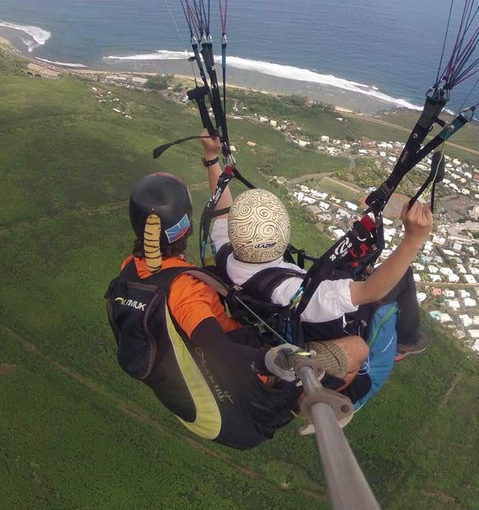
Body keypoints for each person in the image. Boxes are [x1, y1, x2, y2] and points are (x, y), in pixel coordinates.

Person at [105, 170, 367, 450]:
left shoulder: (130, 271)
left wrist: (212, 160)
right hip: (237, 417)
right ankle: (302, 402)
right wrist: (268, 360)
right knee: (357, 349)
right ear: (185, 225)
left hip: (194, 410)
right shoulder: (186, 291)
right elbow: (218, 350)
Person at [200, 132, 433, 396]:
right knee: (401, 276)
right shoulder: (294, 292)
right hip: (317, 327)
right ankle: (406, 343)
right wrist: (413, 240)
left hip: (275, 307)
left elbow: (221, 211)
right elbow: (371, 292)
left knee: (356, 266)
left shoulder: (225, 252)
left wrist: (211, 157)